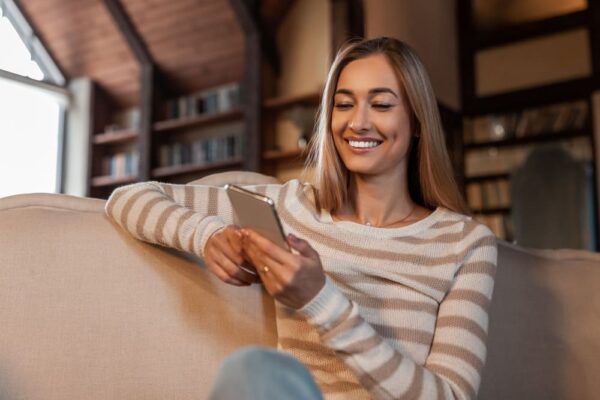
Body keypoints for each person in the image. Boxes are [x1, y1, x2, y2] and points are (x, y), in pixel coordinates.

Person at [105, 37, 498, 399]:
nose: (358, 122)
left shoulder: (465, 243)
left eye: (380, 104)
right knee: (253, 370)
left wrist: (319, 300)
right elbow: (129, 198)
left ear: (416, 122)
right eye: (344, 104)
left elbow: (451, 396)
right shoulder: (293, 207)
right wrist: (207, 236)